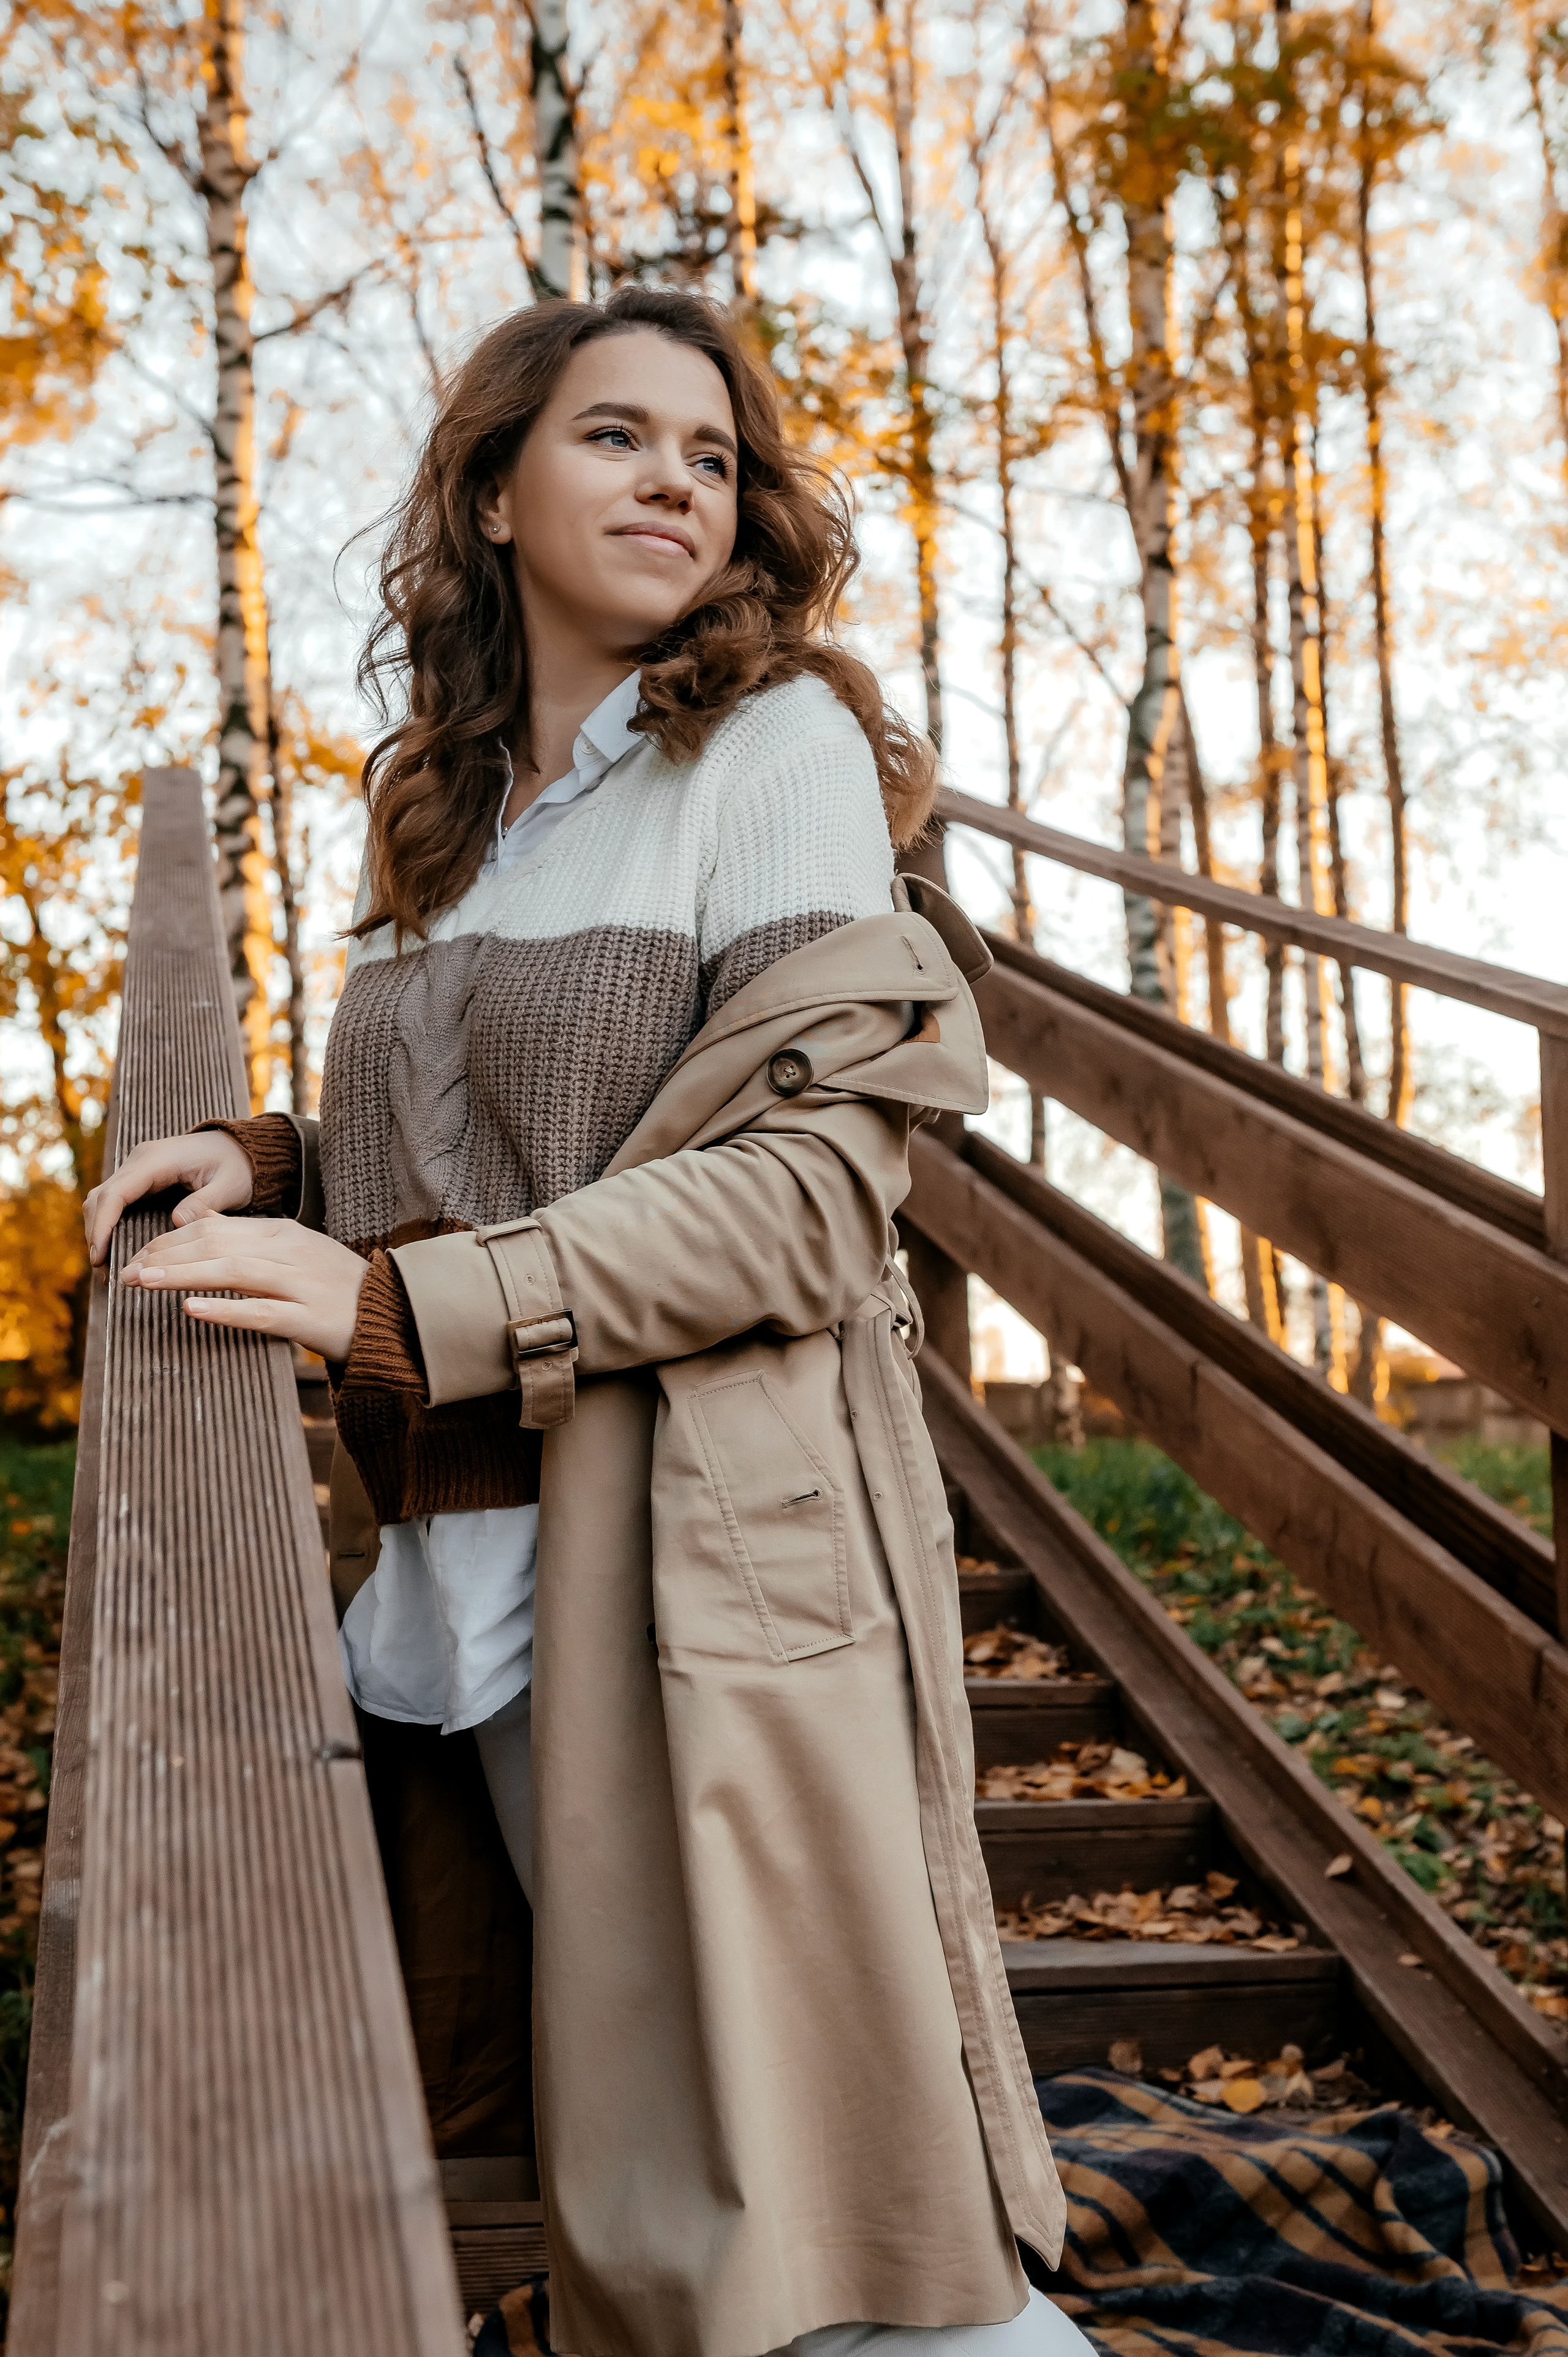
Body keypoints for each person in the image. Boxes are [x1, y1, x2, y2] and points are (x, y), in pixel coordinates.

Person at [83, 287, 1087, 2357]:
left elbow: (809, 1196)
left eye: (713, 457)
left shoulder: (777, 750)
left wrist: (394, 1298)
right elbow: (518, 1145)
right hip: (465, 1568)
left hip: (694, 1562)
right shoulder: (451, 820)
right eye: (616, 436)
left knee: (830, 2240)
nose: (675, 484)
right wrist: (278, 1164)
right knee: (651, 2226)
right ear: (492, 490)